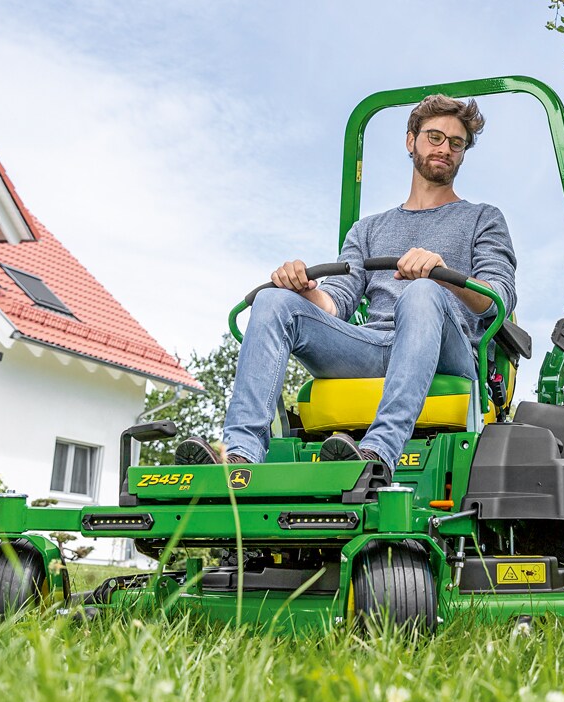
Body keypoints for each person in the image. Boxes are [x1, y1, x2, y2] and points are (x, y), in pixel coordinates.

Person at [176, 95, 516, 477]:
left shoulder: (482, 218)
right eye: (435, 137)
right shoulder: (368, 229)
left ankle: (378, 453)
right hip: (370, 349)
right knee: (274, 300)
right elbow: (336, 301)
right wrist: (303, 290)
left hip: (444, 349)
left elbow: (496, 297)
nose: (445, 149)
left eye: (457, 143)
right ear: (411, 141)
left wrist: (442, 274)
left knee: (423, 291)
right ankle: (240, 455)